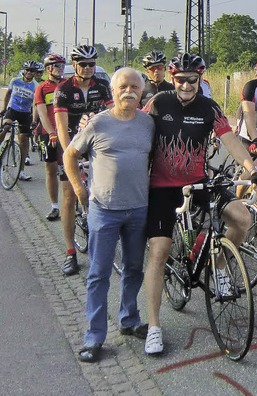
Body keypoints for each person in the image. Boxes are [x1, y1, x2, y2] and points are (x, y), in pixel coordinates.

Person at [142, 53, 257, 355]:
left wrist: (252, 168)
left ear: (200, 80)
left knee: (241, 218)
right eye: (180, 79)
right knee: (159, 252)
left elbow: (230, 139)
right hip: (161, 187)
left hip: (199, 183)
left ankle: (220, 267)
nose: (186, 85)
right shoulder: (158, 102)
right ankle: (154, 327)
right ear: (173, 79)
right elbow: (135, 131)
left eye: (192, 80)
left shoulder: (209, 107)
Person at [63, 67, 154, 363]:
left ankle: (129, 319)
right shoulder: (98, 123)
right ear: (112, 92)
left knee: (134, 269)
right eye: (123, 86)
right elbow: (70, 155)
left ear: (141, 93)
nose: (129, 91)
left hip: (139, 209)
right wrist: (79, 188)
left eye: (135, 87)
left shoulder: (148, 124)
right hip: (104, 210)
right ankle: (94, 337)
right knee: (98, 274)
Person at [54, 44, 113, 276]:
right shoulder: (64, 90)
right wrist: (70, 155)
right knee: (69, 194)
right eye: (83, 64)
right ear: (75, 66)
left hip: (96, 145)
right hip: (71, 144)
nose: (88, 68)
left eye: (92, 64)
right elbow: (61, 127)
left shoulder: (103, 87)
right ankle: (70, 252)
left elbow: (112, 114)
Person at [34, 53, 66, 221]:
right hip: (49, 133)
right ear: (48, 69)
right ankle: (54, 206)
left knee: (71, 168)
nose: (60, 69)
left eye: (62, 66)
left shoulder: (68, 85)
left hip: (67, 132)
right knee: (51, 168)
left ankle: (73, 202)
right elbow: (42, 114)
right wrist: (52, 132)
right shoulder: (42, 88)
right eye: (57, 66)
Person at [1, 60, 39, 181]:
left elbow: (35, 104)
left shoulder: (35, 86)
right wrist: (3, 108)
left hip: (25, 113)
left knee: (24, 141)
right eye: (27, 70)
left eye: (31, 71)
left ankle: (21, 171)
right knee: (6, 126)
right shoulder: (15, 81)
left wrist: (34, 119)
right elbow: (8, 94)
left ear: (34, 73)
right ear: (24, 71)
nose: (29, 72)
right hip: (12, 109)